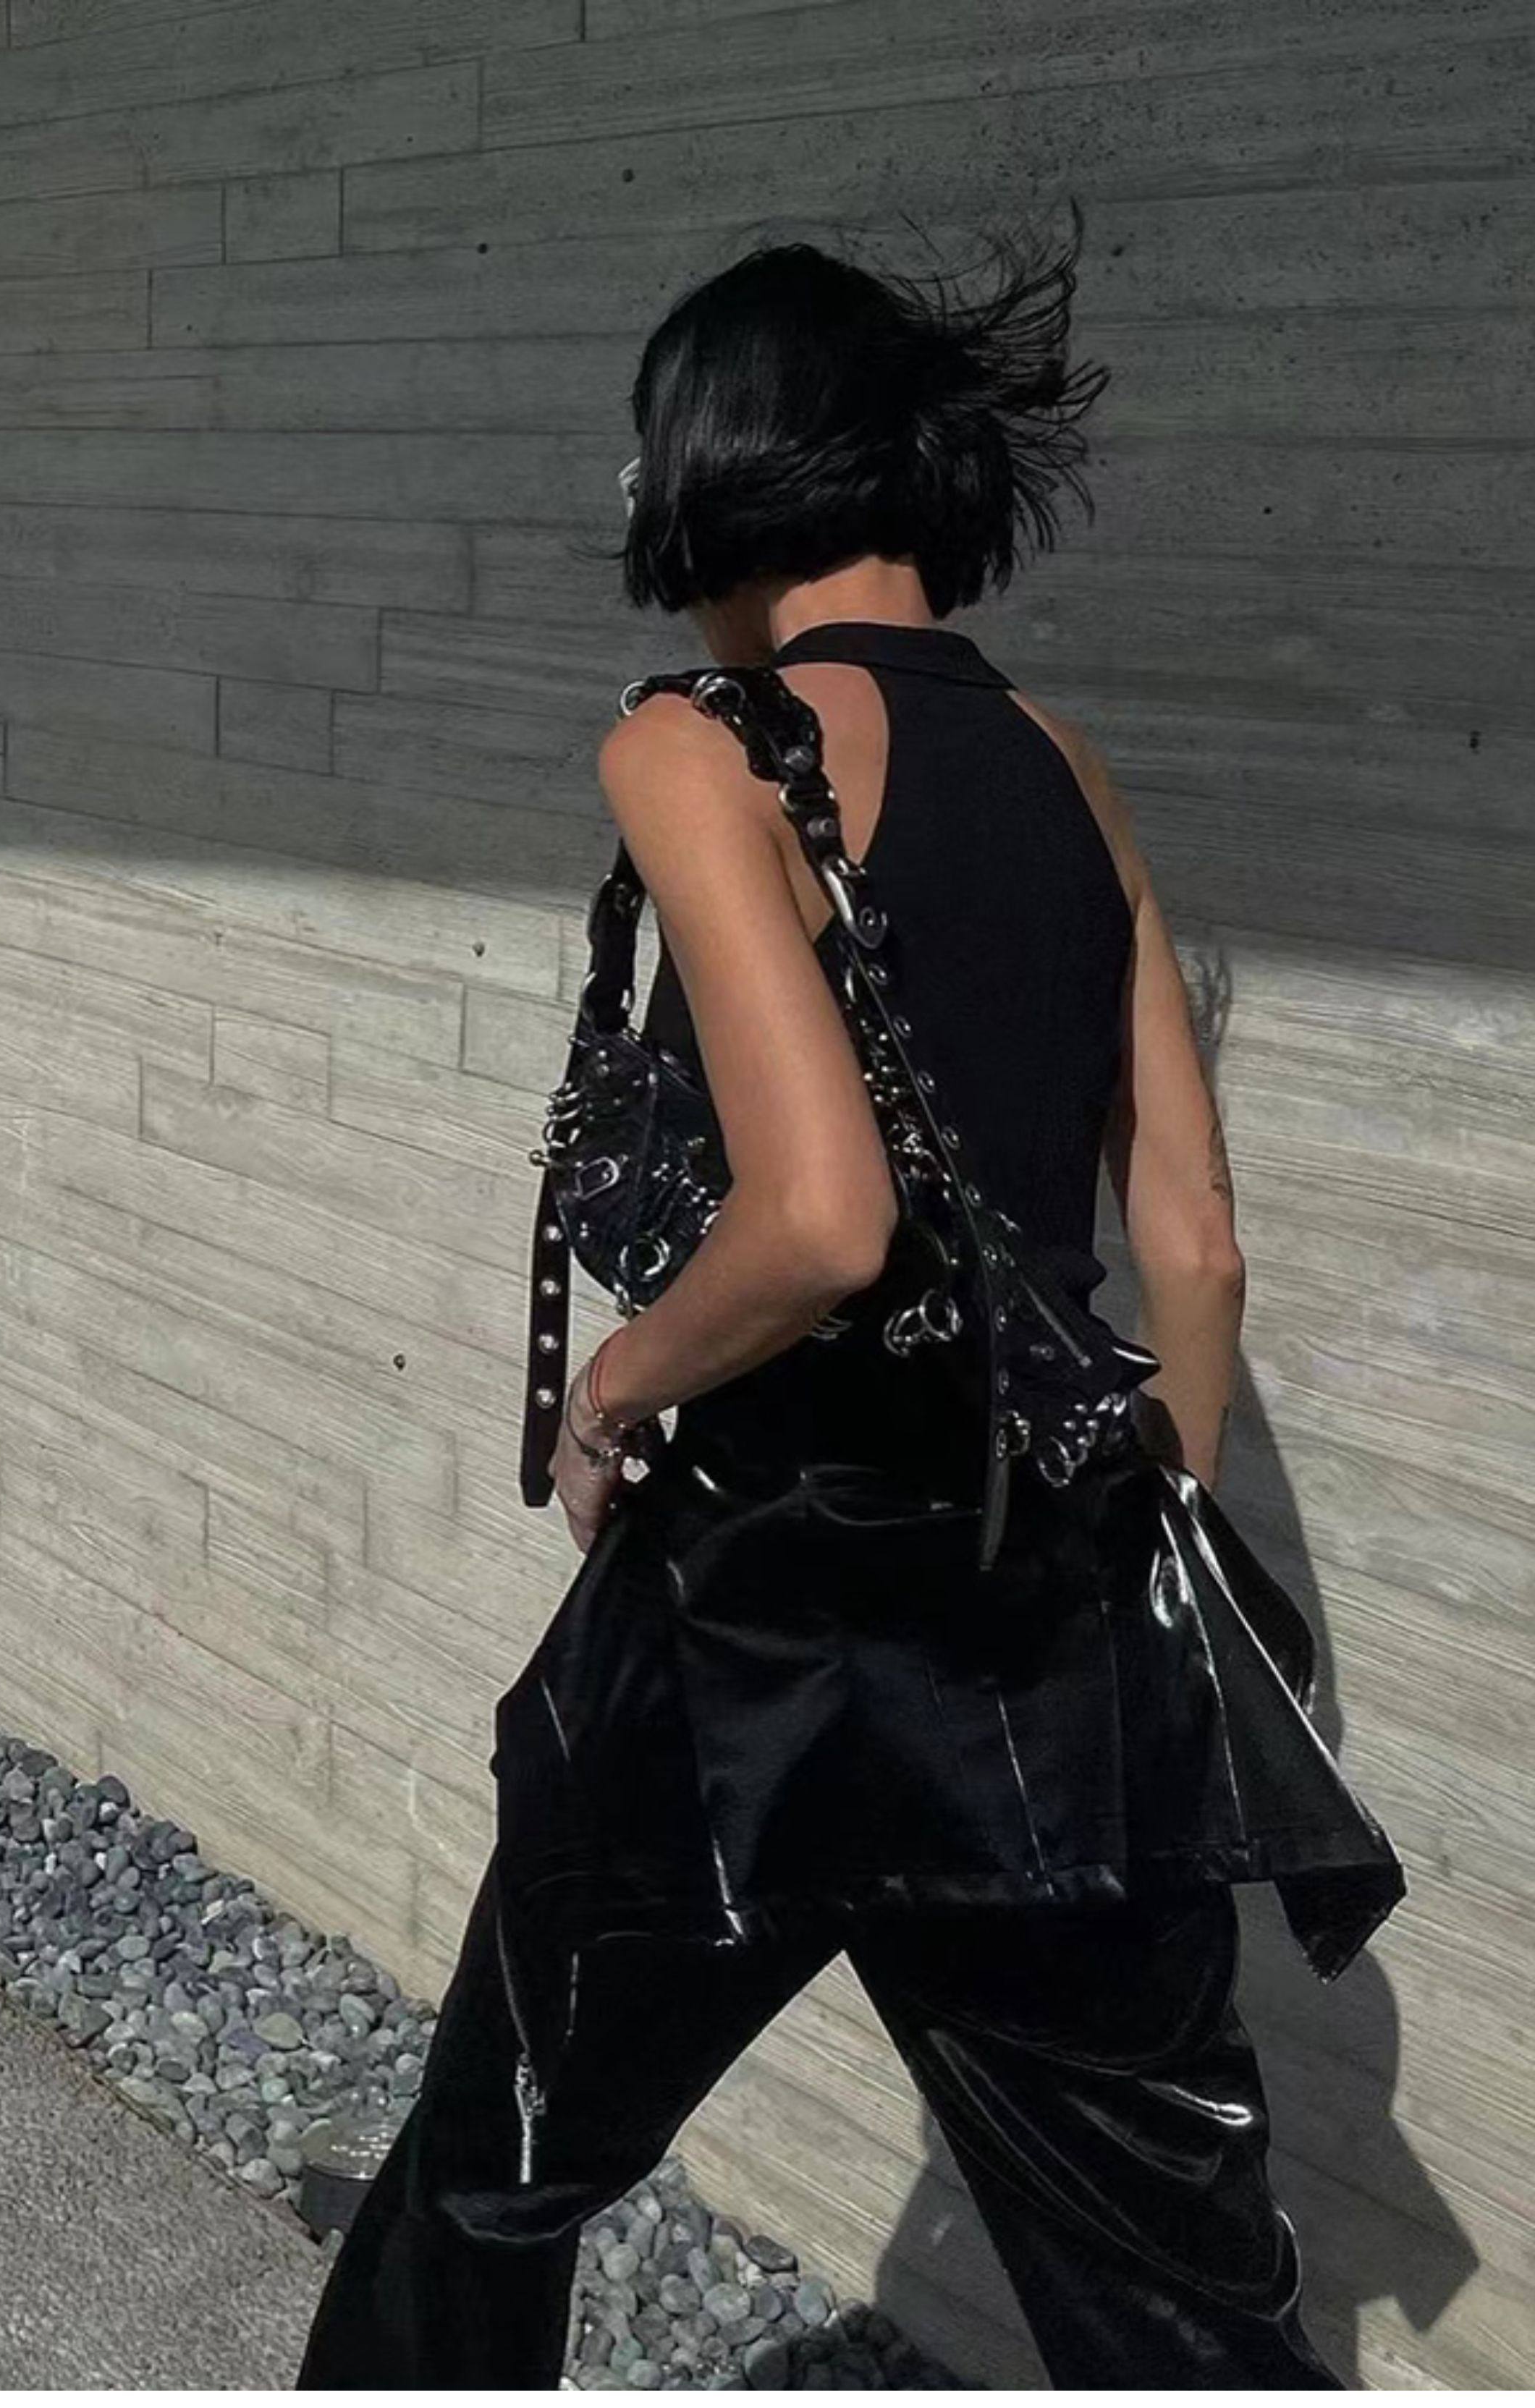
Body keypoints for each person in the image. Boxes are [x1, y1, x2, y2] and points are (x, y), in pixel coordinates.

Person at [296, 214, 1403, 2391]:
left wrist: (618, 1385)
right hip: (1047, 1649)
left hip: (754, 1636)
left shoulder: (700, 746)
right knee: (1181, 2313)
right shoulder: (1065, 764)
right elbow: (1195, 1241)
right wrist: (1134, 1542)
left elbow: (822, 1219)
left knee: (499, 2168)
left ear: (720, 466)